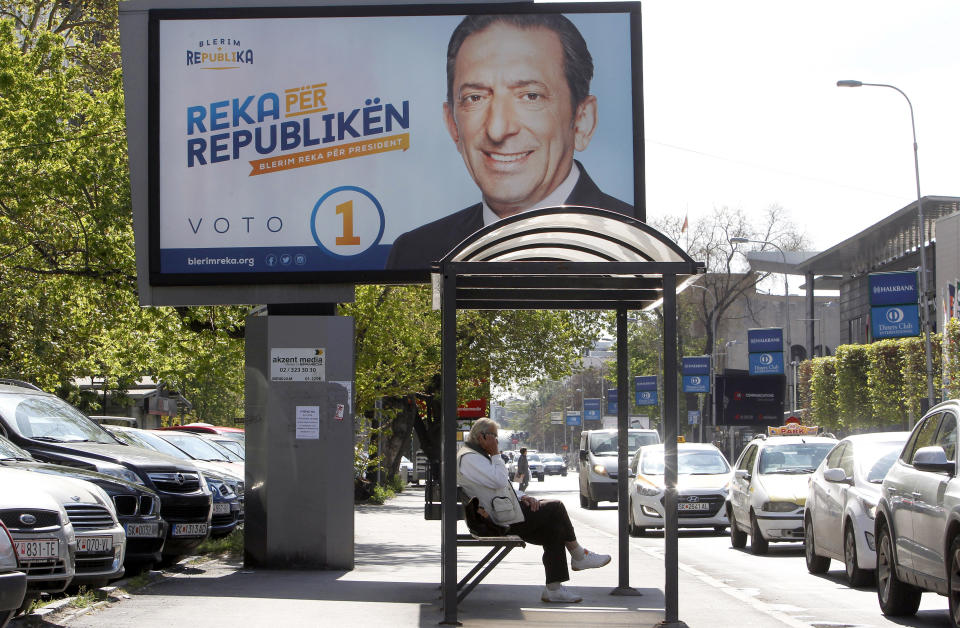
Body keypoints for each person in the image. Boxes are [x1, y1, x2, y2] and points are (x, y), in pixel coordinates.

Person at [385, 13, 632, 270]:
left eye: (530, 96)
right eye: (475, 98)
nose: (498, 129)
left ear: (583, 120)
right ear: (453, 125)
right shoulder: (414, 253)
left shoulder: (631, 240)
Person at [457, 417, 610, 603]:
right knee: (556, 507)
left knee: (554, 529)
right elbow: (498, 480)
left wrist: (523, 497)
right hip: (499, 521)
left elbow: (498, 486)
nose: (496, 441)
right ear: (482, 437)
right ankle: (578, 554)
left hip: (501, 513)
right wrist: (496, 454)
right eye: (494, 437)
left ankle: (554, 589)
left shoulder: (477, 456)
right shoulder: (470, 458)